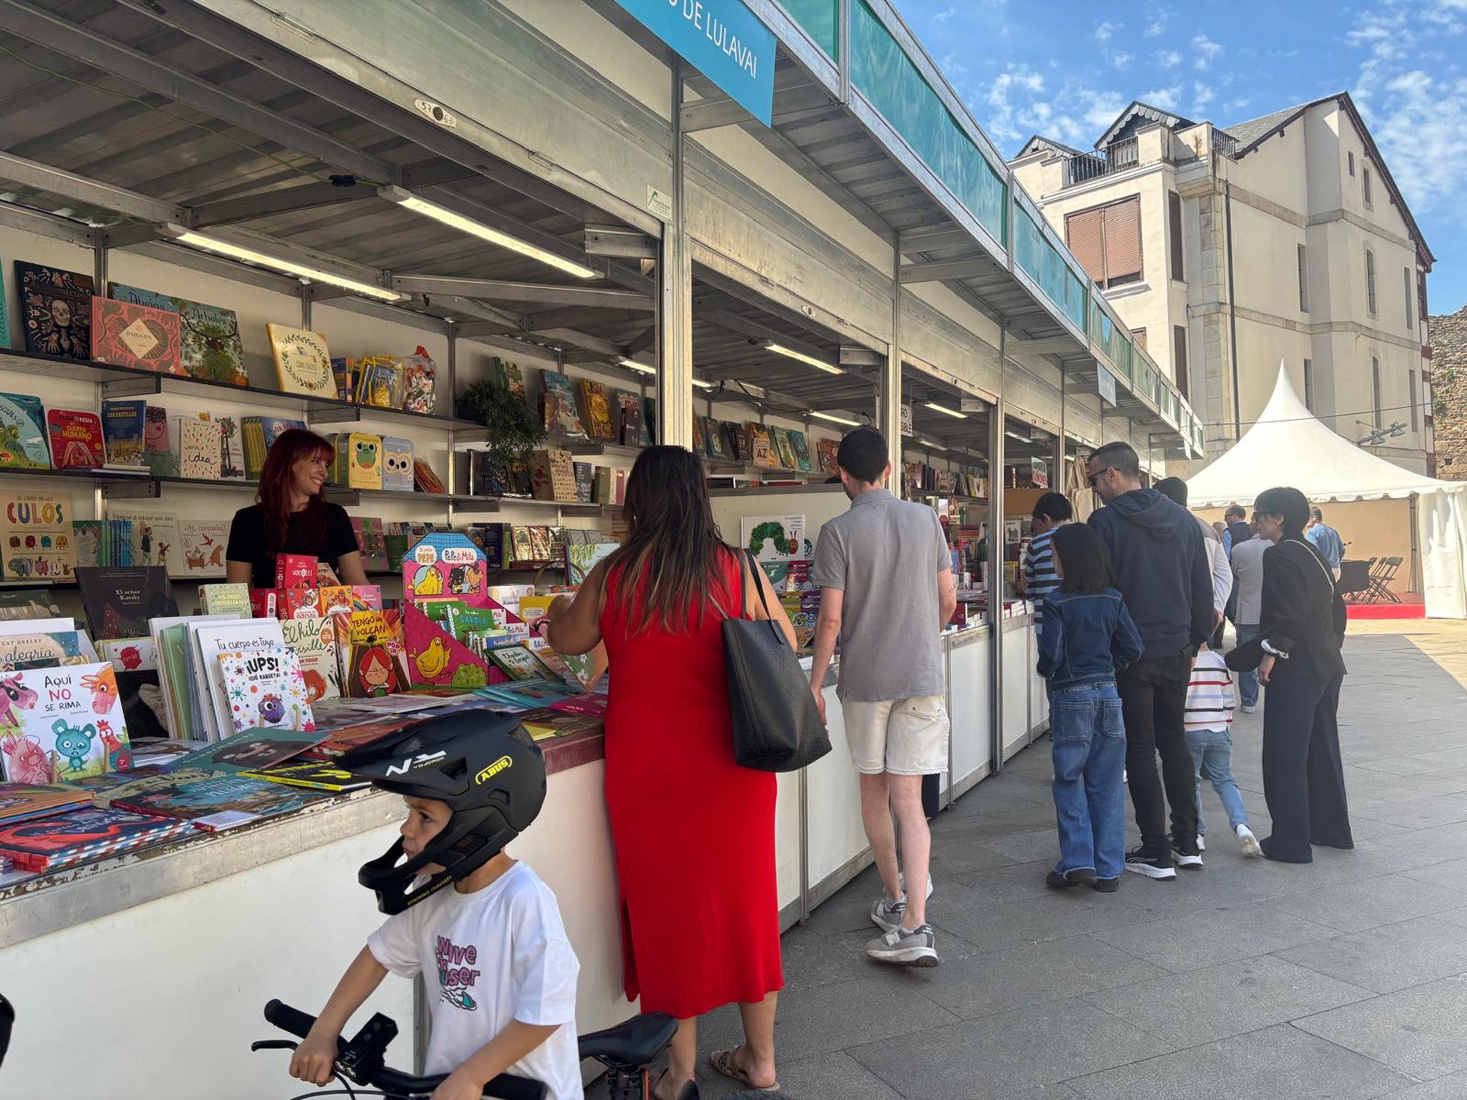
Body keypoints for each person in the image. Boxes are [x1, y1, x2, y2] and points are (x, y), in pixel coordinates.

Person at [543, 446, 788, 1098]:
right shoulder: (736, 568)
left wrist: (554, 609)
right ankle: (759, 1060)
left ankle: (679, 1072)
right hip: (734, 768)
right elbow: (784, 644)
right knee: (746, 909)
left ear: (638, 502)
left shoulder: (617, 572)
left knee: (667, 918)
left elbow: (566, 641)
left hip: (648, 773)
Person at [289, 716, 583, 1100]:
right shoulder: (433, 892)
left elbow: (547, 1011)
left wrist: (473, 1076)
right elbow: (377, 956)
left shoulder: (523, 900)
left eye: (424, 817)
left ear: (477, 822)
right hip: (450, 1089)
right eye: (410, 813)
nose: (406, 830)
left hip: (520, 1092)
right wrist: (324, 1030)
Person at [810, 427, 955, 966]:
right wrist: (920, 638)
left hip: (866, 683)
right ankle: (918, 923)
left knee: (874, 793)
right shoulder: (925, 520)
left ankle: (894, 899)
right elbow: (946, 598)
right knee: (910, 801)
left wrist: (814, 684)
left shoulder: (838, 530)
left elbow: (831, 619)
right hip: (921, 677)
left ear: (843, 475)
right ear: (890, 470)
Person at [1086, 443, 1212, 881]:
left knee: (1139, 747)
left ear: (1115, 474)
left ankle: (1156, 850)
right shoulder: (1183, 520)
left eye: (1095, 479)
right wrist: (1196, 641)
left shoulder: (1104, 523)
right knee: (1173, 740)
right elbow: (1203, 588)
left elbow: (1100, 589)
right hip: (1178, 647)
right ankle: (1188, 841)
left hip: (1130, 652)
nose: (1094, 488)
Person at [1036, 524, 1143, 892]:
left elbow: (1051, 653)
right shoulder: (1113, 598)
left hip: (1071, 697)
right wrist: (1110, 667)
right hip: (1109, 694)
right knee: (1107, 783)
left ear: (1070, 557)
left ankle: (1078, 860)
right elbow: (1134, 647)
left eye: (1054, 553)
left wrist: (1046, 672)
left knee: (1069, 779)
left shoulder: (1056, 602)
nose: (1052, 560)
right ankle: (1110, 868)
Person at [1253, 487, 1352, 864]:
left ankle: (1290, 842)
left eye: (1261, 514)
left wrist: (1272, 655)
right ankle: (1329, 830)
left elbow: (1289, 612)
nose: (1256, 520)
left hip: (1298, 664)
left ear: (1279, 518)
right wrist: (1329, 644)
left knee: (1285, 753)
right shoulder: (1312, 550)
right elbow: (1336, 608)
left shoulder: (1279, 554)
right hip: (1326, 663)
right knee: (1321, 749)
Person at [226, 428, 369, 588]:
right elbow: (237, 593)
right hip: (270, 613)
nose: (324, 473)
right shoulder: (247, 520)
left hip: (325, 613)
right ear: (289, 463)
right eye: (316, 461)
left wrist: (381, 612)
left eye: (326, 465)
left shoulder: (335, 516)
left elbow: (358, 583)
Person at [1185, 646, 1263, 857]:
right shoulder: (1219, 662)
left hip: (1190, 728)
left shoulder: (1185, 661)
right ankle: (1242, 826)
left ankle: (1197, 833)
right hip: (1219, 729)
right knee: (1225, 780)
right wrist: (1225, 723)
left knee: (1192, 782)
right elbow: (1229, 699)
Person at [1155, 477, 1232, 651]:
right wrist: (1216, 609)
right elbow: (1224, 574)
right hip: (1203, 616)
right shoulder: (1206, 527)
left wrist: (1215, 610)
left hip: (1179, 617)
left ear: (1164, 498)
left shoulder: (1172, 526)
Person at [1230, 516, 1269, 714]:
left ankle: (1248, 702)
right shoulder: (1280, 548)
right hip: (1273, 614)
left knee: (1247, 657)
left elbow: (1236, 573)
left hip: (1248, 611)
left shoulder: (1239, 549)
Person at [1022, 491, 1072, 636]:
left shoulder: (1036, 544)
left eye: (1035, 528)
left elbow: (1031, 591)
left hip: (1047, 623)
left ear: (1046, 519)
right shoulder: (1087, 536)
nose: (1036, 533)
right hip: (1080, 622)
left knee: (1049, 659)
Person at [1305, 507, 1345, 581]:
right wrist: (1336, 562)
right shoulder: (1333, 531)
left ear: (1313, 517)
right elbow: (1342, 550)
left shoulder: (1312, 532)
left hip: (1322, 570)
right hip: (1336, 570)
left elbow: (1313, 552)